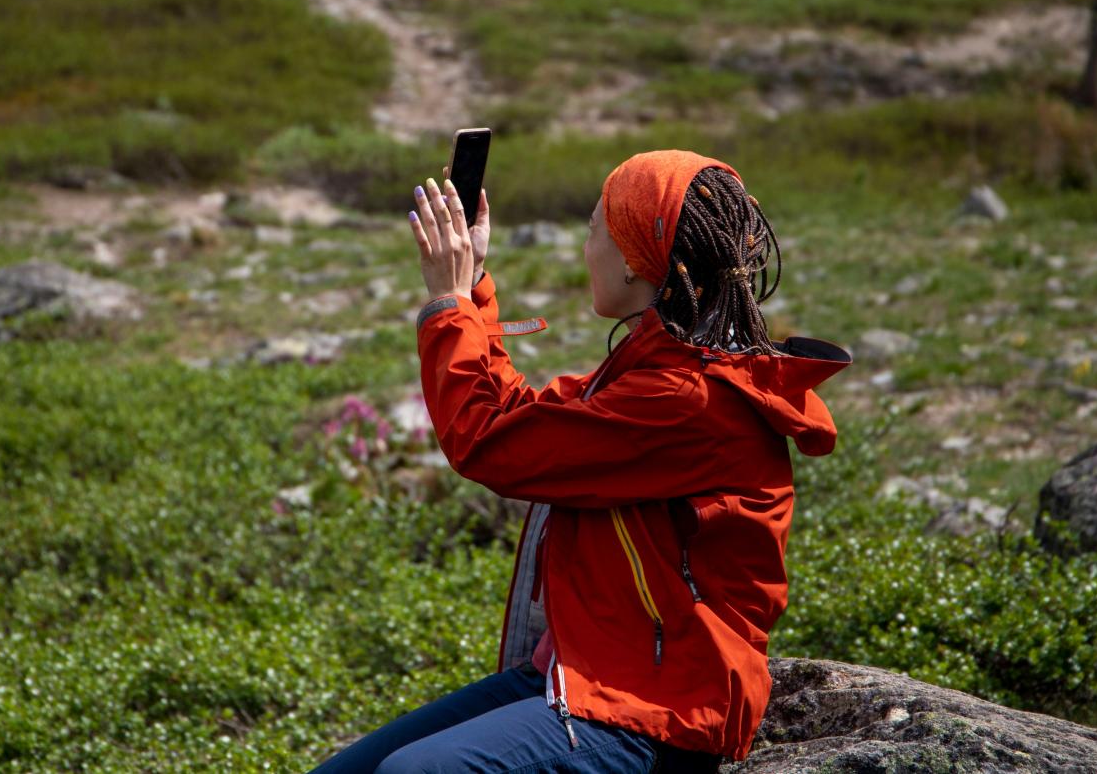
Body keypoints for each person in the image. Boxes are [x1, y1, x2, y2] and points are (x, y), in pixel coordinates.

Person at [308, 150, 851, 773]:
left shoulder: (686, 400)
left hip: (658, 705)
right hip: (585, 669)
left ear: (630, 259)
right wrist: (476, 290)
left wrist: (448, 305)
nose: (583, 246)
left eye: (594, 227)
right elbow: (521, 418)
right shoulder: (662, 373)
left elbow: (487, 442)